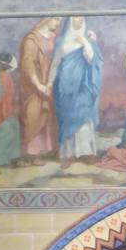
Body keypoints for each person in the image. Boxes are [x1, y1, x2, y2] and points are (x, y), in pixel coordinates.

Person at [50, 16, 103, 163]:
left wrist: (86, 42)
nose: (80, 20)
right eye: (77, 17)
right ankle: (68, 154)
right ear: (70, 21)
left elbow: (93, 60)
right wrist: (49, 83)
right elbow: (55, 63)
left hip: (83, 86)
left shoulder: (88, 40)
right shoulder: (62, 41)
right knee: (68, 118)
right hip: (65, 86)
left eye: (82, 18)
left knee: (84, 116)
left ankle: (86, 153)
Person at [18, 16, 61, 162]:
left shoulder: (54, 38)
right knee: (33, 116)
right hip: (34, 86)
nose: (58, 23)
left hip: (51, 83)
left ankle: (46, 151)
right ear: (47, 19)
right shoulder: (31, 39)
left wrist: (50, 83)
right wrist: (38, 85)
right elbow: (27, 64)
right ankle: (30, 154)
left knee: (48, 116)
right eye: (56, 19)